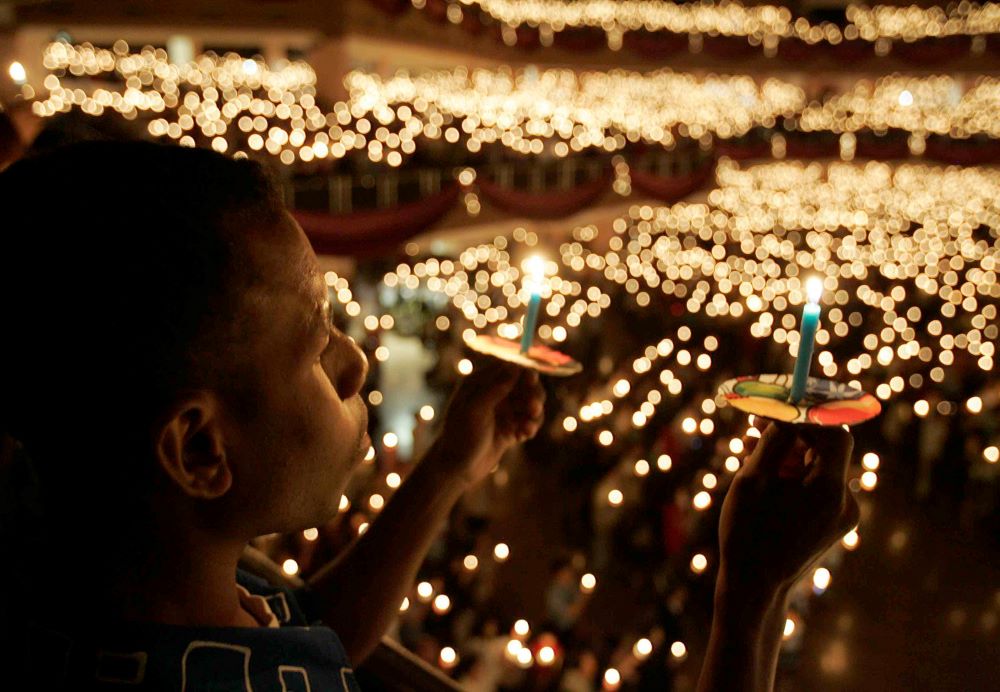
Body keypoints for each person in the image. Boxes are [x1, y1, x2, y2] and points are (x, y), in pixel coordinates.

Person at [0, 140, 858, 691]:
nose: (356, 359)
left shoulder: (119, 572)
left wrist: (447, 468)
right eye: (314, 344)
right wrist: (750, 598)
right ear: (197, 450)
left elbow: (315, 640)